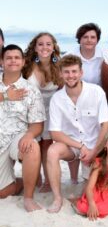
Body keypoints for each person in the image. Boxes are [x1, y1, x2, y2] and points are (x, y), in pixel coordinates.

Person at [46, 55, 108, 213]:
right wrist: (80, 146)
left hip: (96, 145)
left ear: (81, 72)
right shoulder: (57, 99)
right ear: (60, 74)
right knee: (52, 151)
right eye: (66, 72)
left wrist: (93, 151)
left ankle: (82, 184)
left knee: (92, 190)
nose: (71, 76)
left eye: (74, 71)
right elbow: (54, 133)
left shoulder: (96, 92)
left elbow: (106, 125)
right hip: (73, 146)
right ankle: (57, 198)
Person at [0, 44, 46, 211]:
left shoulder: (31, 90)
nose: (13, 61)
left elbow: (37, 124)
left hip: (16, 138)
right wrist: (5, 96)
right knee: (3, 192)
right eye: (8, 58)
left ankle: (28, 197)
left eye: (17, 57)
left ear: (23, 61)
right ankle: (18, 182)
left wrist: (29, 135)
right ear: (1, 62)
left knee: (32, 146)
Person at [23, 32, 62, 192]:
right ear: (35, 47)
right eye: (41, 44)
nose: (44, 47)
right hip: (32, 110)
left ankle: (47, 180)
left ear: (53, 48)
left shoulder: (59, 65)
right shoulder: (27, 65)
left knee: (47, 145)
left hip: (51, 109)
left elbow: (62, 90)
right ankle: (35, 176)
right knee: (34, 145)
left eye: (48, 44)